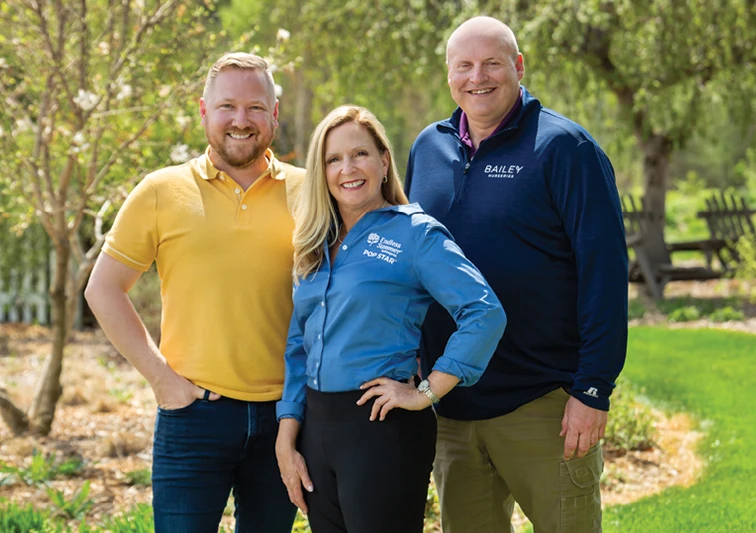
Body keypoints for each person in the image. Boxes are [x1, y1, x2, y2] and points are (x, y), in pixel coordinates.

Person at [404, 16, 629, 533]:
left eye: (491, 63)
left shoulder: (565, 149)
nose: (476, 77)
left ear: (518, 66)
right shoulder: (427, 149)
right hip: (451, 402)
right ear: (448, 75)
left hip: (544, 405)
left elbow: (605, 274)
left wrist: (592, 390)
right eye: (463, 65)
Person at [84, 52, 303, 533]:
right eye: (227, 107)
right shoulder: (161, 191)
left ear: (275, 113)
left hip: (285, 420)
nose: (240, 121)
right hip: (193, 415)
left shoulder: (311, 194)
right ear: (204, 112)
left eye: (255, 108)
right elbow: (103, 289)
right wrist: (163, 381)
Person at [274, 105, 507, 533]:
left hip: (381, 428)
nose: (348, 168)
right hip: (316, 430)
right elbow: (298, 346)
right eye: (333, 159)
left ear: (384, 161)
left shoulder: (416, 234)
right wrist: (287, 436)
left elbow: (483, 311)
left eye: (360, 154)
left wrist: (425, 391)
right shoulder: (313, 243)